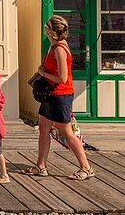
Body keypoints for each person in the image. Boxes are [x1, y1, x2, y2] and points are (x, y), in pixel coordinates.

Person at [23, 15, 95, 180]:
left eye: (46, 27)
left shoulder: (61, 49)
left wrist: (42, 73)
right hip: (50, 95)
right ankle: (40, 166)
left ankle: (86, 167)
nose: (44, 29)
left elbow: (62, 78)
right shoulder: (53, 46)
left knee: (67, 132)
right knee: (43, 127)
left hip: (60, 95)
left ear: (50, 31)